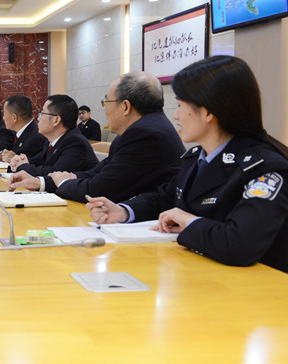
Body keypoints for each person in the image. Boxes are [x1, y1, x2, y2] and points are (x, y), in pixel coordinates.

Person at [88, 56, 288, 273]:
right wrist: (123, 211)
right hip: (200, 273)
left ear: (208, 112)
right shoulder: (196, 157)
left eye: (180, 105)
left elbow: (239, 242)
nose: (176, 115)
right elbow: (165, 197)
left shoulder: (264, 169)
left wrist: (189, 222)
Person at [42, 72, 185, 203]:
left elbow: (99, 190)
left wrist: (62, 182)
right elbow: (100, 171)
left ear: (125, 106)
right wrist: (67, 178)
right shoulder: (139, 130)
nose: (105, 110)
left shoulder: (144, 134)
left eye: (106, 102)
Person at [8, 95, 98, 192]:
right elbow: (39, 161)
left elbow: (54, 173)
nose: (38, 119)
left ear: (56, 120)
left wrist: (22, 166)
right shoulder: (52, 139)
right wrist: (20, 161)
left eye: (42, 113)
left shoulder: (75, 142)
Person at [0, 95, 48, 163]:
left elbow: (36, 162)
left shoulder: (36, 136)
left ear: (14, 118)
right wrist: (2, 156)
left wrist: (14, 159)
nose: (3, 118)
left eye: (4, 114)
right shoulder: (24, 131)